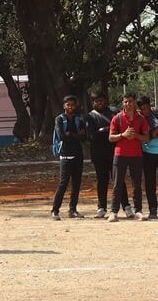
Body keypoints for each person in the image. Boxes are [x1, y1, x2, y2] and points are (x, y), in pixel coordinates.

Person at [107, 92, 149, 221]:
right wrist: (123, 135)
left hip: (136, 155)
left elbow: (146, 137)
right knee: (117, 183)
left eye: (130, 101)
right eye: (125, 102)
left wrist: (136, 135)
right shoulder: (117, 118)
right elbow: (111, 138)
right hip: (120, 154)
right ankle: (114, 212)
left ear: (134, 102)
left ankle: (138, 211)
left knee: (137, 184)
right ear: (122, 103)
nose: (128, 104)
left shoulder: (141, 119)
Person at [50, 94, 87, 220]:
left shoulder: (79, 120)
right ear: (64, 106)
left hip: (78, 155)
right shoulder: (59, 119)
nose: (70, 107)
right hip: (65, 155)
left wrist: (70, 134)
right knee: (63, 183)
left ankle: (73, 209)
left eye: (73, 105)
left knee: (76, 183)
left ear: (76, 106)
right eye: (68, 105)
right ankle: (55, 210)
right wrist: (75, 135)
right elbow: (61, 136)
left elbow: (84, 137)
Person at [86, 91, 118, 219]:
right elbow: (91, 136)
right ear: (93, 102)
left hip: (114, 152)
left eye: (102, 100)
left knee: (118, 180)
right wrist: (105, 130)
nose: (100, 103)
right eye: (97, 101)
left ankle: (126, 206)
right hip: (99, 153)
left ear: (106, 100)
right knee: (102, 181)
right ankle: (101, 207)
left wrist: (102, 131)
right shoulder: (90, 117)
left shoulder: (114, 112)